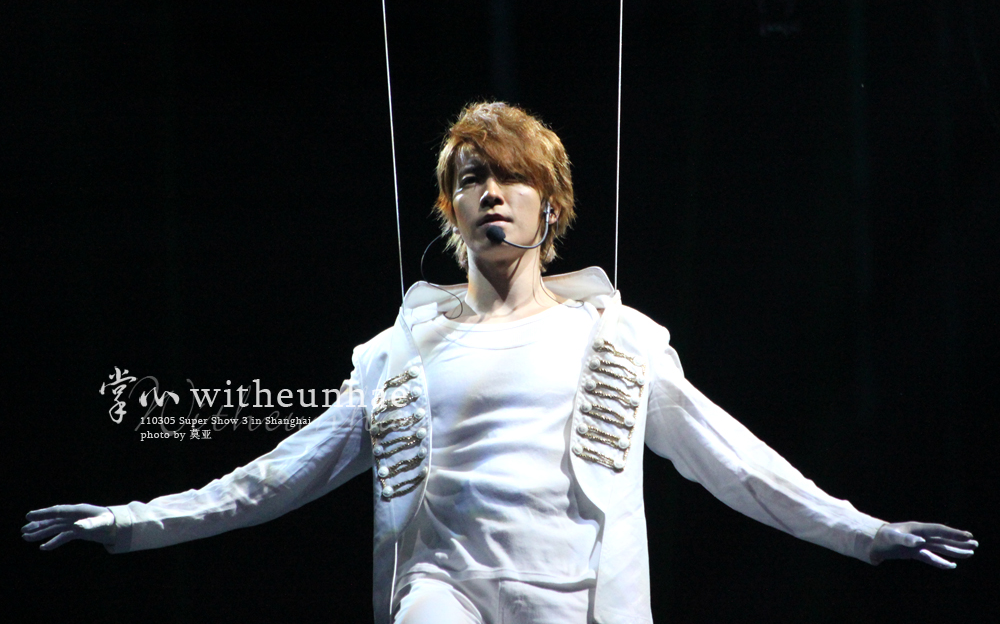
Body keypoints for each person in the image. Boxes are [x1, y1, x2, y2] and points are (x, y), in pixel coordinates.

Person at [22, 102, 976, 624]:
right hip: (444, 591)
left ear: (548, 205)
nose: (491, 193)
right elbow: (277, 474)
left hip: (580, 596)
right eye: (471, 178)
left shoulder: (619, 338)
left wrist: (864, 532)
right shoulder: (395, 354)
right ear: (451, 210)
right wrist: (131, 521)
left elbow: (735, 461)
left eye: (511, 177)